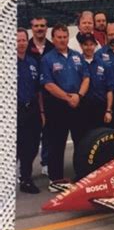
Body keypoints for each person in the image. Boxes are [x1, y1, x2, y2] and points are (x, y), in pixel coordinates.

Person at [40, 23, 90, 192]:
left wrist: (79, 96)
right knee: (57, 143)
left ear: (68, 37)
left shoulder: (77, 56)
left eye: (64, 36)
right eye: (59, 37)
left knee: (81, 141)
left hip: (77, 103)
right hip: (58, 106)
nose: (62, 40)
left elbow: (86, 78)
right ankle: (56, 180)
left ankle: (82, 173)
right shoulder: (47, 59)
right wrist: (67, 97)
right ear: (53, 39)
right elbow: (48, 84)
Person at [26, 16, 54, 177]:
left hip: (49, 97)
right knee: (30, 136)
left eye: (42, 25)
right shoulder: (25, 47)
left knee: (49, 132)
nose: (39, 28)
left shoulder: (51, 47)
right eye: (36, 26)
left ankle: (46, 162)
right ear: (32, 27)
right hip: (32, 98)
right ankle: (25, 170)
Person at [17, 28, 44, 193]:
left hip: (32, 109)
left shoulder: (33, 62)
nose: (21, 43)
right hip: (15, 111)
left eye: (23, 40)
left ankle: (26, 179)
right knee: (15, 148)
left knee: (32, 146)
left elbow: (39, 90)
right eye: (18, 40)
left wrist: (41, 112)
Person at [78, 33, 114, 130]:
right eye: (85, 45)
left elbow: (109, 90)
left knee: (101, 138)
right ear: (81, 46)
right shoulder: (77, 64)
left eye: (91, 44)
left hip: (100, 108)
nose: (88, 47)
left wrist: (108, 110)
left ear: (95, 45)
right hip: (82, 108)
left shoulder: (104, 65)